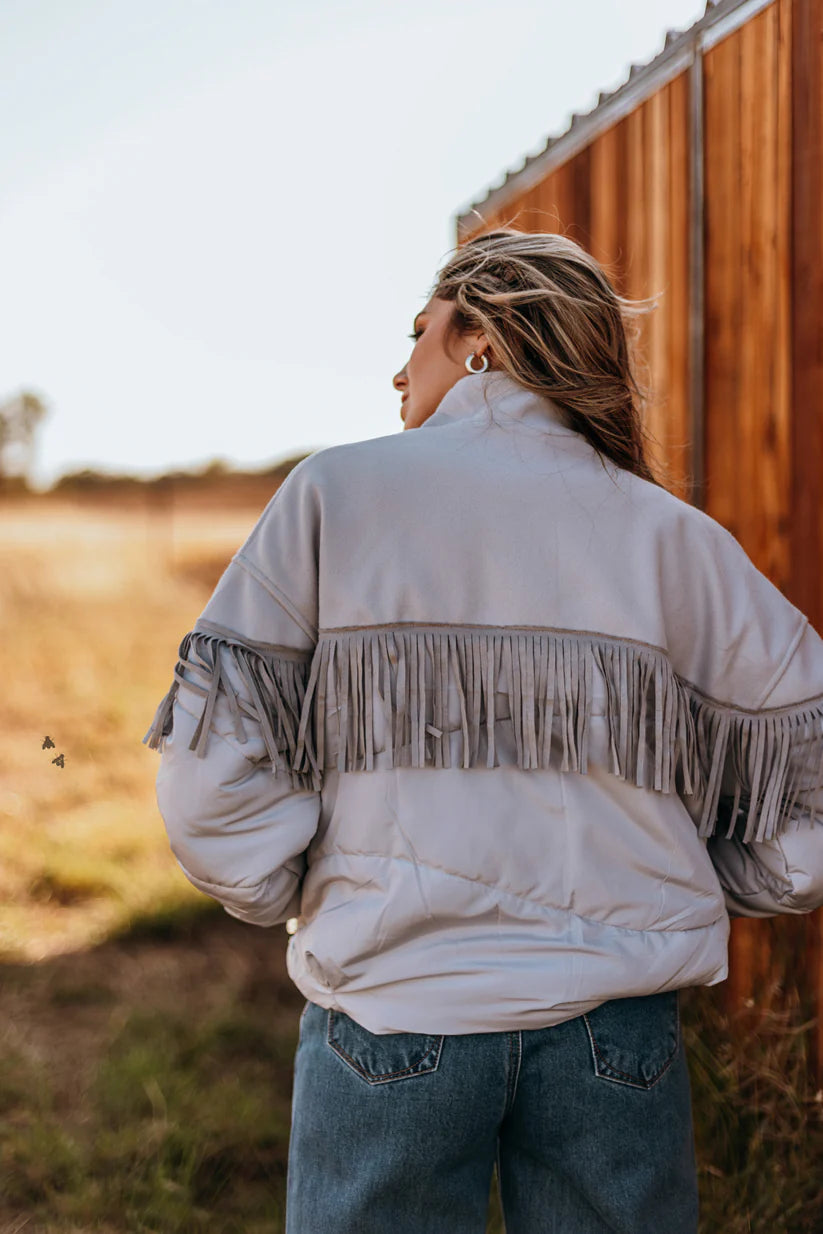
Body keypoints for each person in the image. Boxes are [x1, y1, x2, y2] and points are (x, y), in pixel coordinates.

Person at [144, 228, 823, 1234]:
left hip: (390, 1013)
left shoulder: (338, 493)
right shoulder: (675, 539)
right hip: (617, 1037)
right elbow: (803, 805)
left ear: (481, 337)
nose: (396, 367)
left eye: (418, 333)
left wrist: (299, 886)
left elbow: (212, 777)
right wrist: (681, 879)